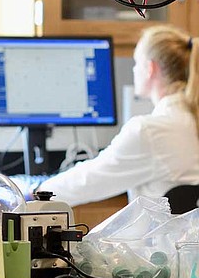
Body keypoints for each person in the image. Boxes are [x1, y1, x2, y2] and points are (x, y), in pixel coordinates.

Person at [38, 25, 199, 206]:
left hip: (160, 234)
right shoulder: (189, 120)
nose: (134, 70)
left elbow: (90, 180)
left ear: (150, 68)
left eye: (136, 63)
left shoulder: (149, 131)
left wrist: (38, 190)